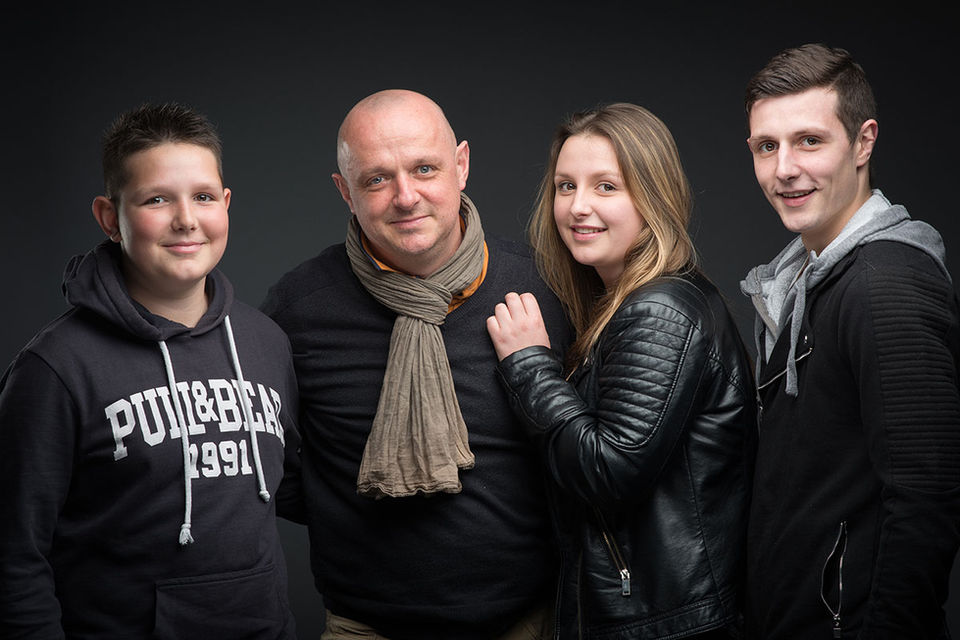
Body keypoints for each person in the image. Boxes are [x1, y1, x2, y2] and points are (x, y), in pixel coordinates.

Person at [261, 89, 571, 640]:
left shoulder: (546, 284)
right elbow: (266, 462)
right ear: (345, 191)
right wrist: (347, 511)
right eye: (377, 179)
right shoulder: (298, 308)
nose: (406, 197)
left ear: (461, 166)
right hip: (365, 627)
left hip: (530, 621)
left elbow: (590, 451)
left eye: (425, 168)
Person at [0, 103, 300, 638]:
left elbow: (297, 487)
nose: (186, 219)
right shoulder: (56, 369)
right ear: (109, 217)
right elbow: (13, 556)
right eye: (157, 199)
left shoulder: (266, 343)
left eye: (203, 197)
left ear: (226, 204)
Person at [486, 102, 757, 639]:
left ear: (652, 197)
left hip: (663, 625)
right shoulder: (623, 301)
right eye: (566, 186)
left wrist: (529, 365)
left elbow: (608, 472)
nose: (578, 207)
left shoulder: (659, 309)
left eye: (606, 187)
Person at [740, 43, 960, 639]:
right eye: (766, 146)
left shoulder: (886, 285)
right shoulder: (805, 279)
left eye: (809, 141)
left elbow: (926, 498)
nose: (784, 169)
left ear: (864, 142)